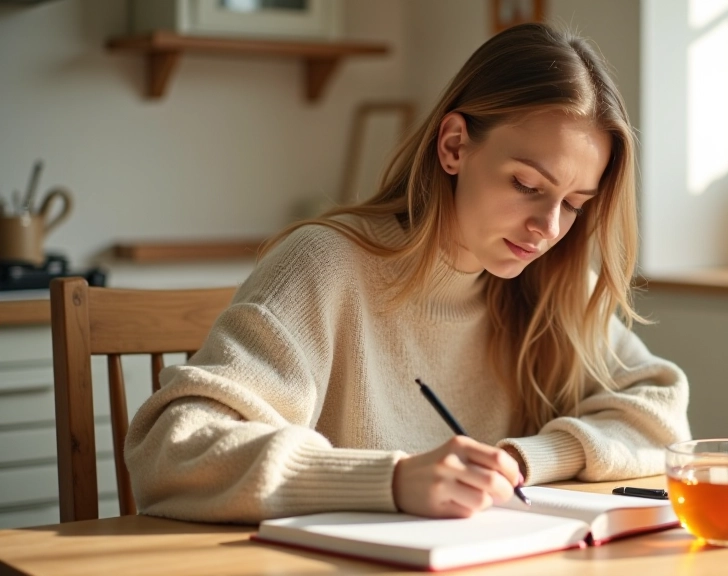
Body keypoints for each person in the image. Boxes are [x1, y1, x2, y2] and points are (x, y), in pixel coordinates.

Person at [124, 22, 691, 524]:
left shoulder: (556, 285)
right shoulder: (326, 266)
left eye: (574, 203)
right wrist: (391, 481)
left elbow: (662, 416)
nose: (547, 227)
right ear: (453, 146)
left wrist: (524, 459)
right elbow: (172, 450)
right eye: (527, 185)